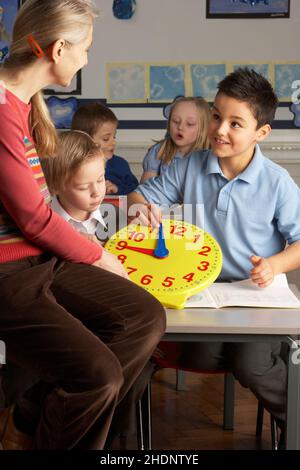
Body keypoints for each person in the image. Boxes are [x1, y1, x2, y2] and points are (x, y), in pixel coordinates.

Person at [0, 0, 165, 450]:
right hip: (9, 272)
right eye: (85, 48)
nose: (87, 58)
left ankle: (38, 411)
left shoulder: (20, 105)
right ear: (58, 50)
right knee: (100, 376)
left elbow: (37, 212)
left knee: (146, 316)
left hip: (40, 259)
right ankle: (46, 430)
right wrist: (98, 254)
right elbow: (33, 216)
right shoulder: (1, 108)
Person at [128, 68, 300, 442]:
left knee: (251, 362)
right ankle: (114, 431)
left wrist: (273, 265)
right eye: (218, 117)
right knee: (187, 351)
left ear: (261, 133)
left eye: (235, 123)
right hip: (200, 295)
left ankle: (297, 423)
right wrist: (139, 207)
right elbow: (142, 195)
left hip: (256, 298)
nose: (221, 130)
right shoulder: (189, 165)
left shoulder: (276, 182)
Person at [42, 130, 113, 243]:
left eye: (100, 180)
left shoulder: (116, 218)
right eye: (83, 187)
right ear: (54, 187)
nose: (97, 192)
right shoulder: (43, 226)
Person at [71, 102, 139, 195]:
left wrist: (117, 189)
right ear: (84, 140)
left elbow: (135, 189)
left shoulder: (120, 164)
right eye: (106, 139)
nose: (114, 142)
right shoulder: (72, 165)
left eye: (114, 137)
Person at [140, 96, 210, 183]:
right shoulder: (159, 151)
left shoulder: (211, 156)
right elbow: (145, 189)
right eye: (176, 121)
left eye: (189, 124)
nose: (180, 127)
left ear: (204, 128)